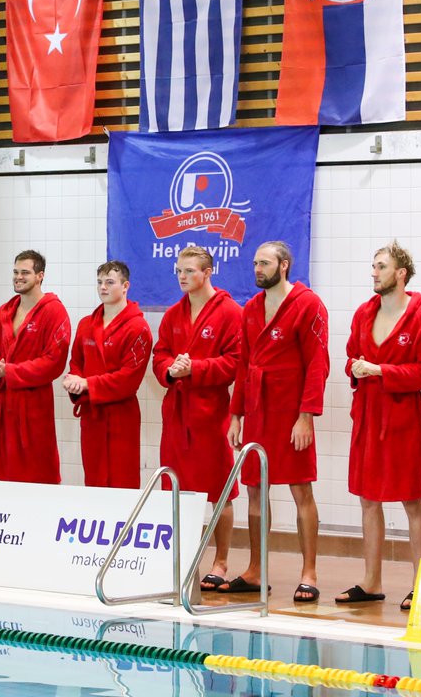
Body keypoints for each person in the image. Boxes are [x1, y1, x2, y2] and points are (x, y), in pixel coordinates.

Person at [335, 242, 421, 609]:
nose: (374, 272)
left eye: (381, 266)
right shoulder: (365, 314)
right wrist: (355, 367)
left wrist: (383, 370)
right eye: (373, 266)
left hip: (402, 416)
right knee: (368, 498)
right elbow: (351, 355)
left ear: (401, 273)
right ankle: (371, 580)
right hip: (367, 412)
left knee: (412, 499)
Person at [225, 241, 329, 601]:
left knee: (300, 488)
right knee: (254, 487)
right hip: (257, 407)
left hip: (290, 409)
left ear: (283, 265)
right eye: (255, 262)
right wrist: (235, 413)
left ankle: (309, 571)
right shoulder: (250, 308)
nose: (257, 269)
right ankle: (256, 568)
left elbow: (318, 362)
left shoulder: (308, 304)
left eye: (264, 263)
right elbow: (243, 364)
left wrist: (306, 416)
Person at [151, 246, 242, 591]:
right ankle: (187, 558)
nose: (182, 277)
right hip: (177, 413)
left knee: (220, 491)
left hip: (210, 413)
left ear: (208, 272)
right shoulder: (174, 314)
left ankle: (221, 559)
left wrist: (197, 368)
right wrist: (170, 371)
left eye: (189, 271)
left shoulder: (230, 312)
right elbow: (160, 354)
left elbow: (235, 362)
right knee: (178, 489)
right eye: (178, 271)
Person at [0, 250, 71, 484]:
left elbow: (54, 362)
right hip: (5, 403)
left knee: (36, 472)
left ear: (40, 276)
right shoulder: (4, 311)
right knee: (6, 473)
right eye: (15, 272)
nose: (18, 277)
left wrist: (9, 371)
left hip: (34, 405)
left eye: (25, 272)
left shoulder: (54, 311)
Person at [63, 260, 152, 489]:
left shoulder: (138, 328)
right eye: (100, 282)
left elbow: (128, 379)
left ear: (125, 286)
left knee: (122, 479)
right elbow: (76, 362)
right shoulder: (85, 325)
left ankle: (125, 525)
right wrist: (74, 381)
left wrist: (86, 384)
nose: (103, 287)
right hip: (92, 416)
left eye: (109, 282)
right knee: (94, 478)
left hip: (122, 417)